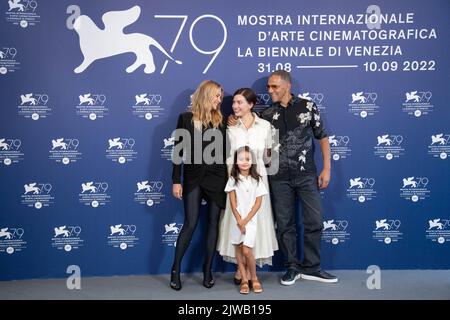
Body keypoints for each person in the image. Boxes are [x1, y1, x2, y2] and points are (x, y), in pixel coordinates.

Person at [229, 71, 337, 284]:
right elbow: (248, 126)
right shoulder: (267, 114)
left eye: (274, 87)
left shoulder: (307, 106)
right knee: (286, 224)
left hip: (307, 175)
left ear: (287, 86)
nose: (269, 91)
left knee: (314, 221)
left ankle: (313, 267)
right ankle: (292, 267)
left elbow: (322, 137)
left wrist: (327, 169)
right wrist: (235, 117)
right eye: (268, 87)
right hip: (278, 177)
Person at [170, 80, 228, 290]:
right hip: (193, 176)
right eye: (216, 96)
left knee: (213, 223)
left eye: (221, 97)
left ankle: (207, 270)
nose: (219, 100)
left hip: (217, 177)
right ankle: (175, 269)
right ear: (206, 95)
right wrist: (176, 180)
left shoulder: (222, 121)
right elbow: (178, 153)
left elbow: (226, 152)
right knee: (191, 223)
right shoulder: (185, 119)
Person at [217, 88, 278, 284]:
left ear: (251, 105)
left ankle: (252, 272)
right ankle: (240, 269)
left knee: (256, 221)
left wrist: (261, 172)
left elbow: (270, 156)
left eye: (240, 102)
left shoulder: (266, 126)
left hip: (258, 179)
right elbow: (226, 156)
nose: (235, 106)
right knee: (238, 220)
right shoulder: (230, 127)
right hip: (236, 180)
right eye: (234, 102)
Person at [224, 146, 268, 294]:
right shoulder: (232, 180)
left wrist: (246, 220)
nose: (244, 162)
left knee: (247, 250)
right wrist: (239, 220)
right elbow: (232, 202)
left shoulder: (257, 180)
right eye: (241, 159)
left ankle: (254, 278)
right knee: (238, 249)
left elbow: (258, 203)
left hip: (250, 221)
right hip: (236, 220)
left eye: (247, 159)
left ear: (252, 162)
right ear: (236, 162)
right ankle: (244, 279)